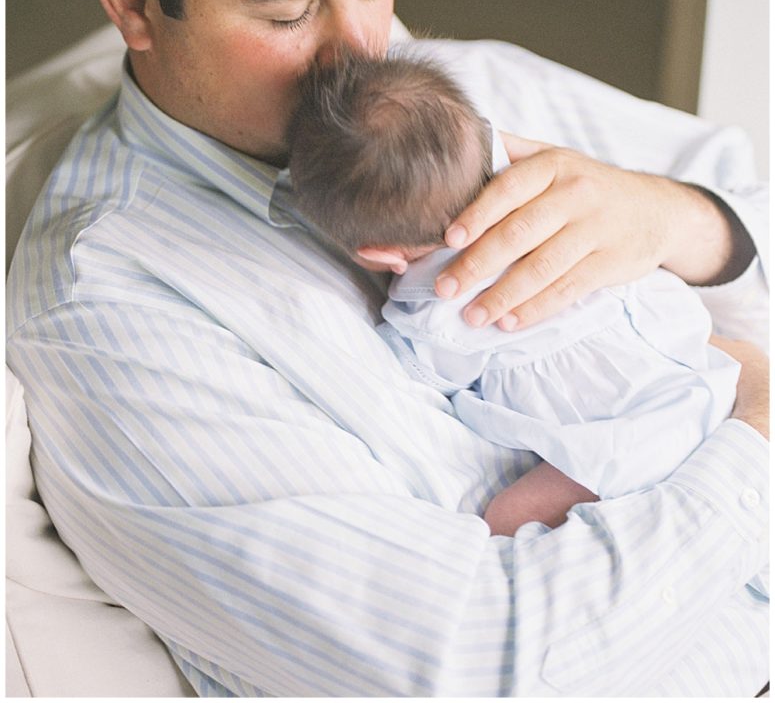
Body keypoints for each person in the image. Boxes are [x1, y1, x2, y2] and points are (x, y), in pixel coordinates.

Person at [6, 0, 768, 697]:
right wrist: (756, 425)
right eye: (288, 15)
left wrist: (679, 223)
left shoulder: (438, 94)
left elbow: (747, 199)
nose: (363, 49)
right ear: (134, 3)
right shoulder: (114, 311)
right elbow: (480, 670)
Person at [286, 48, 746, 533]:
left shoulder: (433, 308)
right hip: (697, 363)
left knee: (506, 518)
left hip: (623, 438)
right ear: (493, 143)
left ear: (380, 254)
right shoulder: (555, 188)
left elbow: (422, 376)